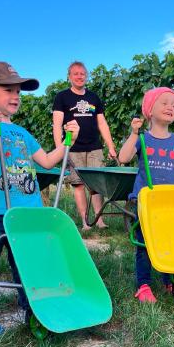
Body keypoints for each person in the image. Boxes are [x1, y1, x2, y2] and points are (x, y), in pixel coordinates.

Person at [0, 62, 79, 334]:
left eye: (18, 91)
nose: (16, 96)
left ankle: (31, 310)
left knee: (28, 267)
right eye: (8, 90)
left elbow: (48, 162)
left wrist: (68, 140)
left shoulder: (22, 133)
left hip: (28, 214)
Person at [119, 87, 174, 303]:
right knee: (145, 244)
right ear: (150, 110)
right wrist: (133, 134)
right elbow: (123, 157)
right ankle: (143, 284)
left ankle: (169, 279)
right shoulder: (142, 138)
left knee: (170, 243)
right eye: (165, 103)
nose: (171, 107)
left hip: (170, 203)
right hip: (146, 202)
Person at [52, 61, 117, 230]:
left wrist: (110, 146)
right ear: (69, 76)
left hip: (95, 147)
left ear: (86, 76)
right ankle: (85, 222)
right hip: (73, 148)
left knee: (96, 185)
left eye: (82, 74)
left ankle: (99, 220)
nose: (79, 76)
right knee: (78, 184)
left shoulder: (93, 97)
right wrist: (60, 150)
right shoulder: (62, 97)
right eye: (76, 74)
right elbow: (57, 124)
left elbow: (102, 123)